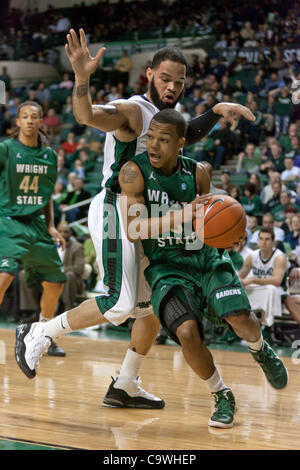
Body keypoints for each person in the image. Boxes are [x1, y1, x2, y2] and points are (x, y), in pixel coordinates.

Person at [14, 28, 256, 409]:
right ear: (149, 75)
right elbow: (88, 114)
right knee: (119, 303)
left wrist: (216, 110)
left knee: (151, 306)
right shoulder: (131, 109)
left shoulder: (166, 121)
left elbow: (186, 133)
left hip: (149, 212)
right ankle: (39, 331)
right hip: (115, 208)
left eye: (179, 81)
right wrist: (82, 77)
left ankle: (125, 383)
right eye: (165, 78)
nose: (172, 86)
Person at [0, 100, 67, 356]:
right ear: (17, 122)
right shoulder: (5, 149)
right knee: (4, 277)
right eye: (24, 116)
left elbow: (47, 193)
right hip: (8, 220)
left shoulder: (49, 156)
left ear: (41, 121)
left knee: (55, 282)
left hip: (37, 223)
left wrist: (51, 225)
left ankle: (41, 334)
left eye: (34, 116)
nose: (29, 120)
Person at [19, 222, 87, 314]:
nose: (62, 234)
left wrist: (59, 270)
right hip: (48, 277)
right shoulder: (48, 245)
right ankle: (32, 312)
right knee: (24, 273)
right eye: (60, 231)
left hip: (68, 281)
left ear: (70, 233)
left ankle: (68, 312)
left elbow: (79, 268)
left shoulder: (77, 247)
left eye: (65, 232)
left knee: (69, 275)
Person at [239, 227, 288, 328]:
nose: (263, 242)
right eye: (261, 239)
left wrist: (252, 280)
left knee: (271, 289)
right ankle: (238, 327)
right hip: (257, 288)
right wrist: (241, 282)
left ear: (273, 241)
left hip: (278, 291)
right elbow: (240, 276)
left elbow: (277, 281)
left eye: (267, 239)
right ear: (257, 241)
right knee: (238, 289)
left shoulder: (279, 257)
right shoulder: (252, 256)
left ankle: (266, 326)